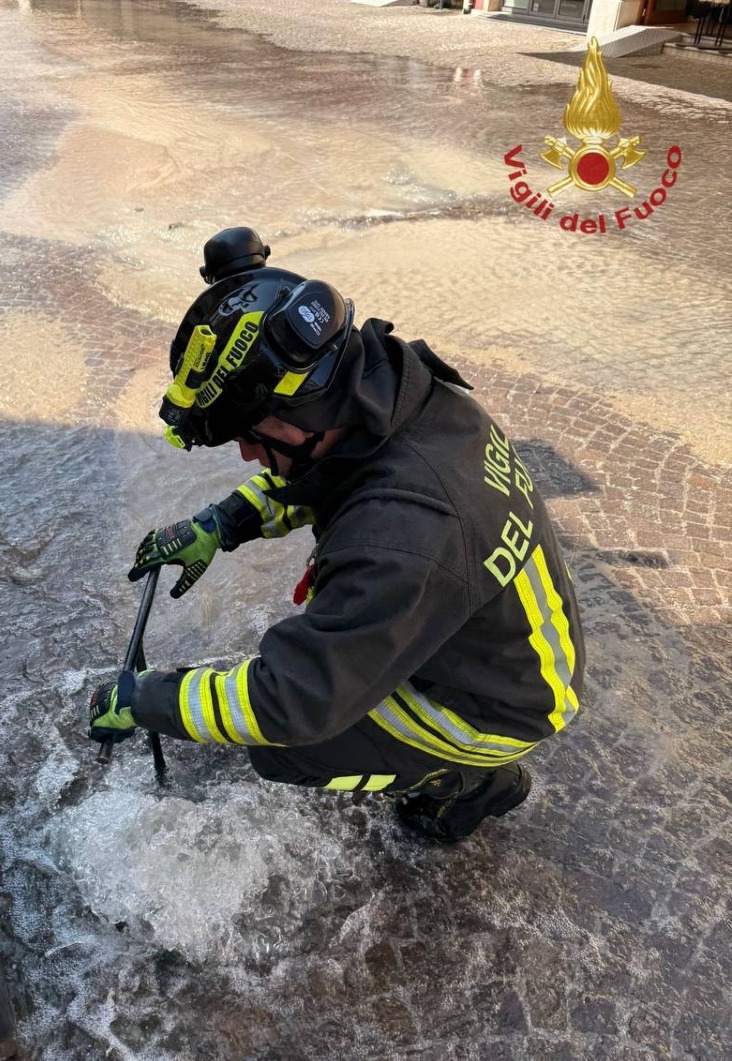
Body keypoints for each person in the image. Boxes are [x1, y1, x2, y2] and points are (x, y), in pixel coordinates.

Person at [89, 228, 585, 842]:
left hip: (496, 705)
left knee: (286, 749)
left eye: (253, 432)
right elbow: (340, 475)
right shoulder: (398, 391)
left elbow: (291, 701)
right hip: (492, 646)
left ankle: (465, 780)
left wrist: (150, 699)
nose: (246, 452)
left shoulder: (401, 535)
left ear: (305, 410)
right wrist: (224, 523)